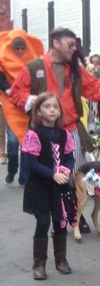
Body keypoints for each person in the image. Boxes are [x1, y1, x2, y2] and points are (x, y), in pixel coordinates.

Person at [11, 27, 100, 233]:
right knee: (51, 176)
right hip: (43, 134)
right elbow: (17, 93)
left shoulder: (75, 69)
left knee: (78, 173)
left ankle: (74, 213)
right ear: (56, 43)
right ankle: (59, 215)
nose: (74, 48)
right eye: (70, 44)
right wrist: (30, 100)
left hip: (70, 130)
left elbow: (94, 88)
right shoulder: (34, 67)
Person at [21, 92, 76, 280]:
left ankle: (61, 260)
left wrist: (66, 170)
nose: (52, 109)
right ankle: (39, 263)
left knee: (60, 222)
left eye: (55, 106)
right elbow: (31, 163)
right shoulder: (34, 135)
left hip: (59, 187)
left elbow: (69, 157)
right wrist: (53, 174)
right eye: (47, 106)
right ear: (38, 111)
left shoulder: (64, 134)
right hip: (40, 186)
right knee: (43, 221)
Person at [0, 30, 44, 185]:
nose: (19, 51)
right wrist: (7, 88)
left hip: (28, 104)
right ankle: (12, 170)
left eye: (21, 48)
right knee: (12, 142)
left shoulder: (32, 62)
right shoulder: (3, 59)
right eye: (16, 48)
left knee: (27, 141)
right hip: (12, 104)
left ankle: (24, 176)